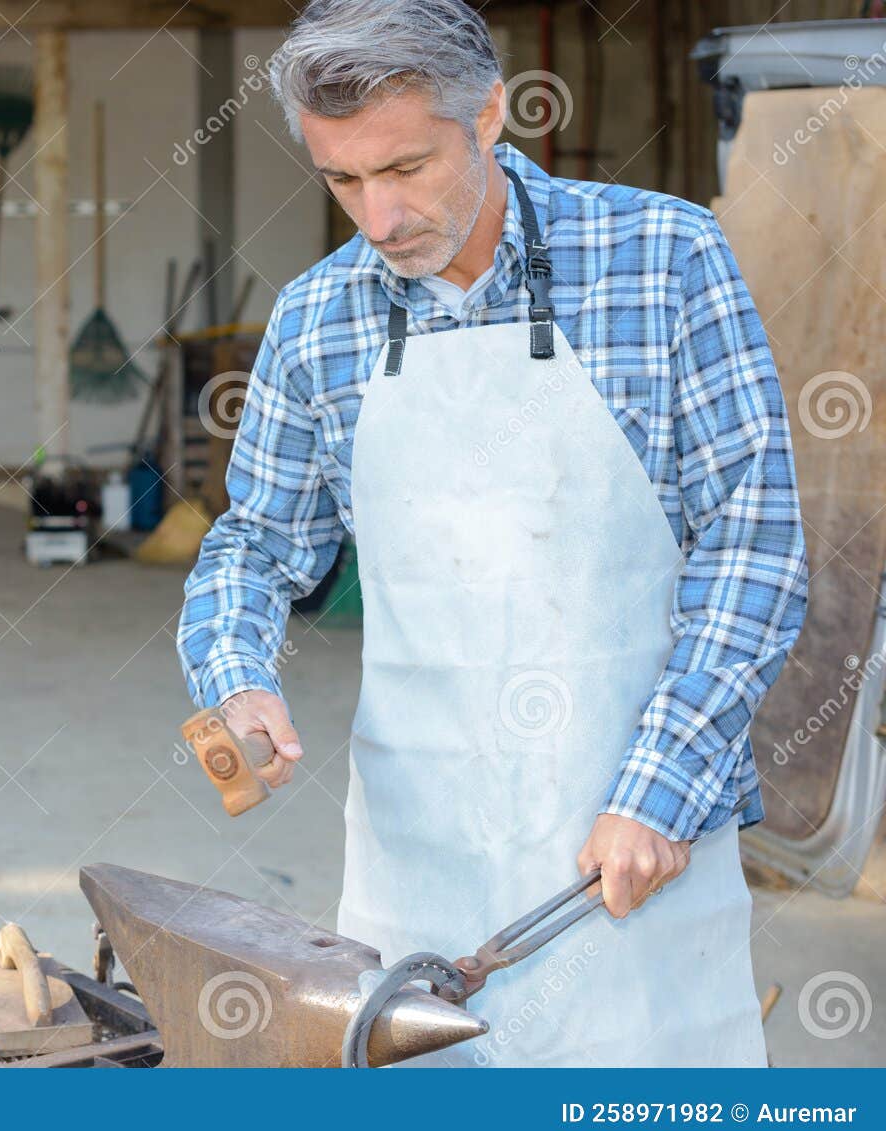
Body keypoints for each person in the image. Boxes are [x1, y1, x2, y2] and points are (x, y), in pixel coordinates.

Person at [176, 0, 807, 1066]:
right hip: (414, 859)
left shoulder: (663, 261)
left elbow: (754, 547)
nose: (378, 220)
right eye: (342, 182)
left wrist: (657, 794)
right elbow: (255, 542)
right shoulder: (316, 320)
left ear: (489, 118)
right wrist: (233, 669)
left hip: (622, 849)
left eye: (406, 168)